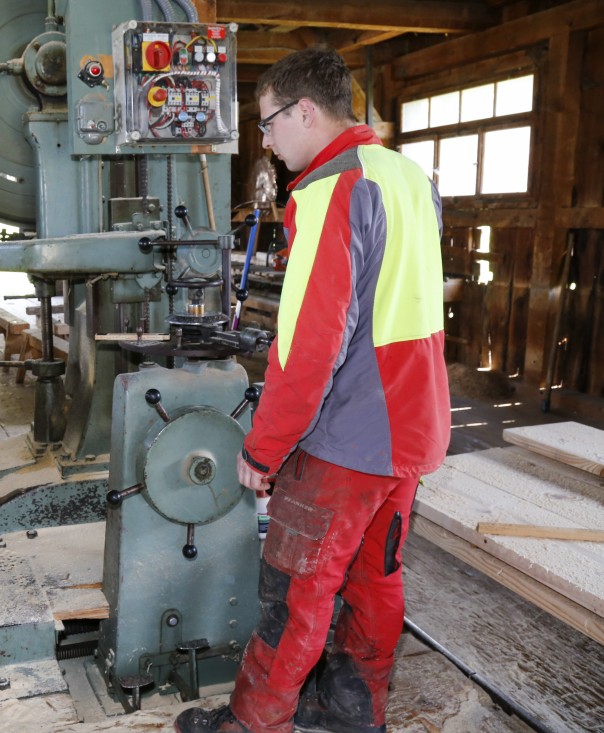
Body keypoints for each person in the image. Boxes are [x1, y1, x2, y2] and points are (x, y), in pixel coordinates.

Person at [175, 47, 450, 733]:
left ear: (305, 111)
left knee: (297, 584)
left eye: (267, 124)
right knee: (374, 575)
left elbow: (311, 347)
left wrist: (264, 449)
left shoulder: (330, 189)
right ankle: (356, 709)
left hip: (351, 433)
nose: (264, 141)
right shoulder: (408, 175)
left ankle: (255, 720)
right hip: (415, 425)